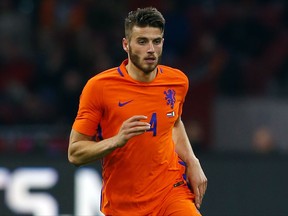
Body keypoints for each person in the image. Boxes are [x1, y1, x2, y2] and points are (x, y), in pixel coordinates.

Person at [68, 7, 207, 216]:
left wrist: (192, 161)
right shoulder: (99, 87)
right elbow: (75, 152)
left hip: (170, 193)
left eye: (156, 41)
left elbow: (174, 122)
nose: (151, 49)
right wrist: (117, 140)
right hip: (124, 205)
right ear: (126, 44)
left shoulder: (177, 81)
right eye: (142, 42)